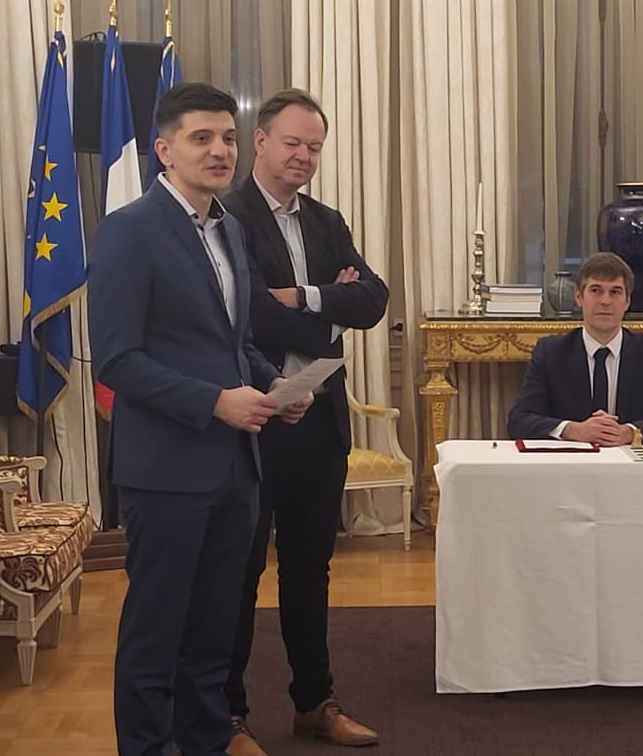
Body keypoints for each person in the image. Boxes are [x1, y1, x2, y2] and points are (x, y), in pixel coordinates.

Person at [88, 82, 312, 756]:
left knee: (215, 631)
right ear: (165, 150)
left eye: (228, 138)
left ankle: (208, 740)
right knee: (157, 633)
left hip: (236, 469)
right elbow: (117, 360)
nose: (220, 151)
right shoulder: (130, 230)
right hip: (165, 470)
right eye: (201, 138)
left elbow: (233, 343)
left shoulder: (229, 228)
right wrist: (215, 400)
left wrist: (274, 384)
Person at [222, 89, 389, 754]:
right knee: (240, 574)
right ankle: (227, 716)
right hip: (253, 420)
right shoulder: (227, 217)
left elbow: (373, 300)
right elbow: (249, 316)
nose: (304, 156)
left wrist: (306, 295)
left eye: (314, 147)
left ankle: (314, 703)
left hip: (319, 422)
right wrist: (328, 311)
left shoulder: (326, 221)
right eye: (292, 143)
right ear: (260, 141)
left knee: (310, 568)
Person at [507, 252, 643, 444]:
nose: (605, 301)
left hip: (630, 459)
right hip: (572, 460)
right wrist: (573, 430)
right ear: (579, 297)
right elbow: (519, 421)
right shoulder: (551, 353)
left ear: (627, 301)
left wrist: (630, 433)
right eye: (596, 290)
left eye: (615, 292)